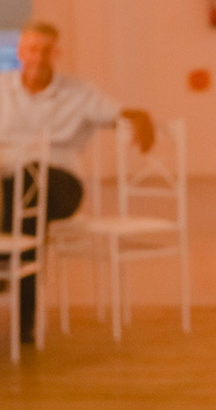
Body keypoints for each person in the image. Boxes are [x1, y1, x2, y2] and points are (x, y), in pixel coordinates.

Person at [0, 21, 154, 341]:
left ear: (56, 53)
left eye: (45, 50)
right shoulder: (3, 89)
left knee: (28, 189)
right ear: (20, 52)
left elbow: (119, 115)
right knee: (25, 209)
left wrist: (140, 116)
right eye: (31, 49)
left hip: (60, 184)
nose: (38, 58)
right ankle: (24, 319)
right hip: (12, 188)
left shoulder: (77, 92)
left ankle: (7, 271)